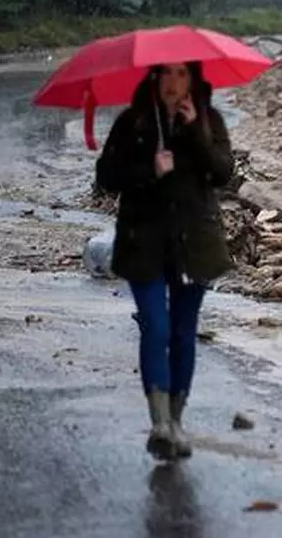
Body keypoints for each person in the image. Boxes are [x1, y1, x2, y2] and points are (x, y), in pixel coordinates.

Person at [95, 62, 235, 461]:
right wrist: (148, 170)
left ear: (193, 79)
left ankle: (176, 422)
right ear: (154, 78)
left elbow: (224, 173)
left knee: (182, 332)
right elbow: (106, 175)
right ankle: (158, 423)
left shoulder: (210, 120)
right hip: (145, 243)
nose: (174, 83)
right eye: (166, 74)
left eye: (182, 74)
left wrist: (194, 134)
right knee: (155, 327)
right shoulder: (133, 122)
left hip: (195, 245)